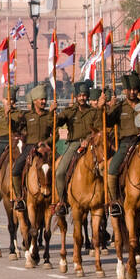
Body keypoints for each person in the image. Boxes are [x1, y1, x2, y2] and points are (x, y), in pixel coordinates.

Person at [53, 81, 107, 215]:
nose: (82, 98)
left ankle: (108, 200)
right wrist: (52, 113)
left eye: (84, 95)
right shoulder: (69, 112)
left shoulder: (93, 112)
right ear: (76, 96)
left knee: (104, 168)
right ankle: (62, 201)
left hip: (91, 144)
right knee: (60, 172)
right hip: (74, 144)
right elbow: (57, 123)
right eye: (80, 95)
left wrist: (88, 139)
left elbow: (98, 128)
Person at [103, 73, 140, 217]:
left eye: (135, 89)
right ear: (125, 91)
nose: (132, 92)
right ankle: (114, 201)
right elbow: (108, 122)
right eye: (129, 89)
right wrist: (103, 107)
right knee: (112, 168)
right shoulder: (120, 107)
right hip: (125, 144)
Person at [12, 85, 56, 210]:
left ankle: (60, 199)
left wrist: (46, 142)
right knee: (16, 169)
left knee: (60, 167)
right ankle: (20, 198)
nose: (43, 101)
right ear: (34, 101)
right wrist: (12, 117)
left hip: (46, 148)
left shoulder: (49, 115)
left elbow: (56, 134)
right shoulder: (27, 116)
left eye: (44, 99)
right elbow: (17, 130)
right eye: (41, 99)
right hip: (30, 147)